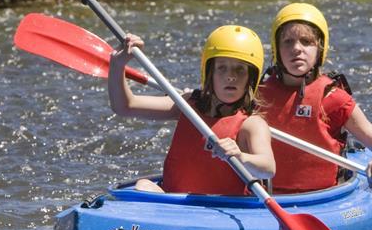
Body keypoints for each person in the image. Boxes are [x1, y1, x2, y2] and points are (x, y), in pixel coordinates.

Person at [108, 25, 275, 194]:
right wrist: (117, 65)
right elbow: (125, 106)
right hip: (174, 204)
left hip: (225, 210)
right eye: (222, 68)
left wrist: (240, 157)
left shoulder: (252, 124)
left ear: (251, 78)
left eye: (240, 69)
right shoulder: (188, 105)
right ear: (209, 73)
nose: (231, 76)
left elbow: (268, 168)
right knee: (144, 185)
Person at [258, 3, 372, 193]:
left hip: (325, 198)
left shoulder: (333, 98)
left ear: (320, 49)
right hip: (265, 196)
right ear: (277, 49)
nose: (297, 49)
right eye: (288, 42)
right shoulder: (258, 95)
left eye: (306, 42)